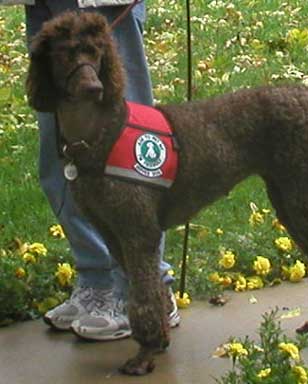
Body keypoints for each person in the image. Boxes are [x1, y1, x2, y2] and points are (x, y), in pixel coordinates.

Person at [1, 0, 180, 340]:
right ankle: (97, 280)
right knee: (62, 147)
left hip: (103, 5)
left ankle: (145, 291)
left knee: (124, 145)